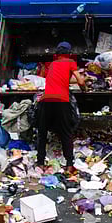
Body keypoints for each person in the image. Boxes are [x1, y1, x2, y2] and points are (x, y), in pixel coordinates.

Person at [36, 42, 86, 173]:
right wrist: (84, 88)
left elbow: (59, 79)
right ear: (69, 53)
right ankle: (69, 165)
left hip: (45, 101)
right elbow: (80, 81)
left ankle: (40, 163)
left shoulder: (53, 64)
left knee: (42, 133)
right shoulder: (70, 62)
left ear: (57, 54)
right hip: (61, 101)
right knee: (66, 132)